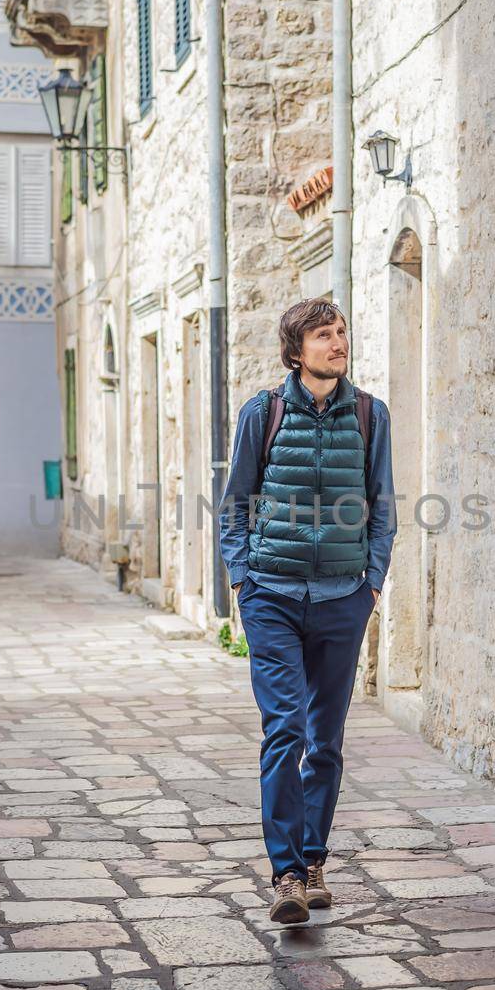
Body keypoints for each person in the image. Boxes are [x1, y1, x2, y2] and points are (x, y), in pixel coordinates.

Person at [217, 297, 396, 924]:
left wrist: (371, 582)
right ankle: (286, 872)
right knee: (285, 729)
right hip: (273, 596)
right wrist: (242, 578)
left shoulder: (371, 415)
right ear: (298, 351)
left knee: (325, 741)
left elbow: (383, 505)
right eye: (324, 335)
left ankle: (315, 860)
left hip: (343, 598)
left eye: (342, 331)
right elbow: (236, 500)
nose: (337, 342)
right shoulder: (262, 413)